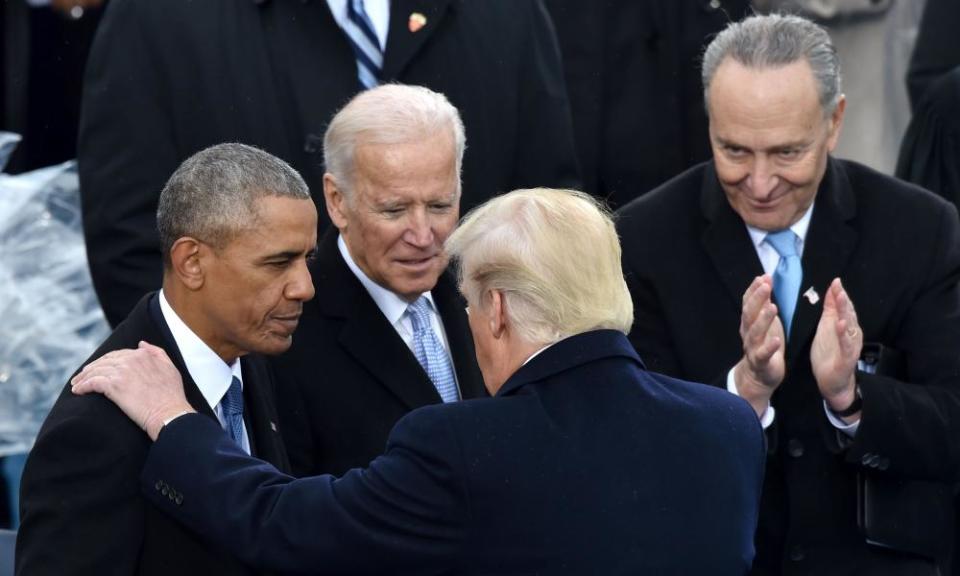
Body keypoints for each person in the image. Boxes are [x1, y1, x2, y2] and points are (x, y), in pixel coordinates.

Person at [72, 188, 765, 575]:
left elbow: (282, 526)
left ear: (494, 309)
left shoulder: (466, 447)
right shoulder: (728, 427)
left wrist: (175, 419)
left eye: (464, 306)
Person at [617, 13, 960, 576]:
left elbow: (950, 424)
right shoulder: (644, 241)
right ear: (708, 125)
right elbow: (633, 445)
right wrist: (742, 393)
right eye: (734, 151)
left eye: (785, 154)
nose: (758, 182)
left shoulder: (918, 229)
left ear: (834, 122)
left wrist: (852, 398)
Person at [79, 0, 580, 327]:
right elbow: (132, 236)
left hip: (477, 406)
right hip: (265, 434)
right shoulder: (160, 19)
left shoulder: (507, 14)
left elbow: (546, 217)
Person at [16, 143, 317, 576]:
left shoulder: (251, 354)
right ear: (191, 262)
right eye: (278, 263)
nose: (304, 287)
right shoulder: (93, 430)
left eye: (307, 258)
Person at [270, 84, 486, 477]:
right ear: (337, 201)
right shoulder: (287, 332)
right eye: (394, 210)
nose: (423, 236)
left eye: (440, 205)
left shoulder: (492, 292)